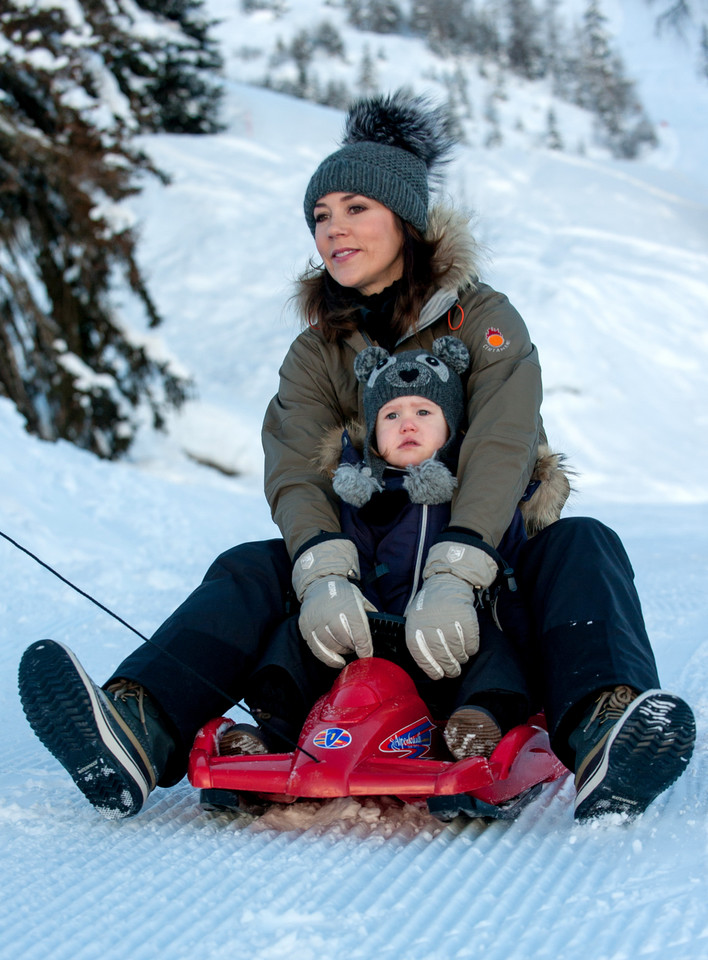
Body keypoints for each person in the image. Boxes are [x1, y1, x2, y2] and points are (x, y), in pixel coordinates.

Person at [18, 91, 695, 824]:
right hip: (361, 601)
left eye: (354, 209)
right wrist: (322, 572)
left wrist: (460, 570)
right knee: (252, 564)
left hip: (487, 603)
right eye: (319, 216)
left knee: (583, 544)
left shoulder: (486, 322)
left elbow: (504, 441)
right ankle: (139, 729)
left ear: (404, 218)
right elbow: (294, 466)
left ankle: (606, 728)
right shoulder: (318, 350)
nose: (332, 230)